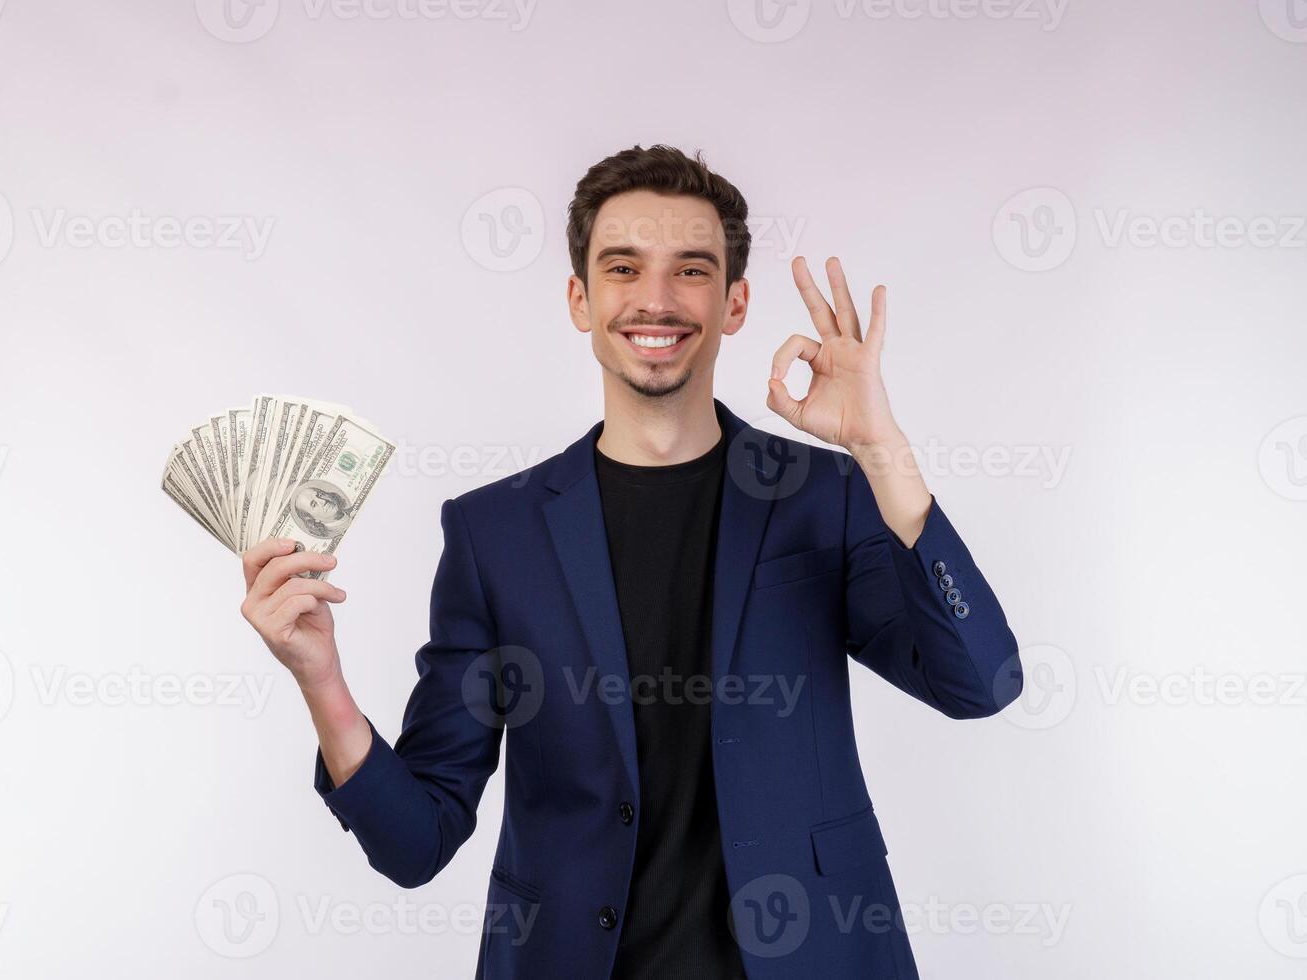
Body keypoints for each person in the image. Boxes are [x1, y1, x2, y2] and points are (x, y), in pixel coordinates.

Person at [238, 144, 1022, 979]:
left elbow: (982, 684)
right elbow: (416, 843)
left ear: (735, 301)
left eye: (691, 270)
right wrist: (320, 680)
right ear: (581, 298)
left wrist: (884, 452)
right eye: (623, 268)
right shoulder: (494, 535)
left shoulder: (824, 495)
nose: (656, 299)